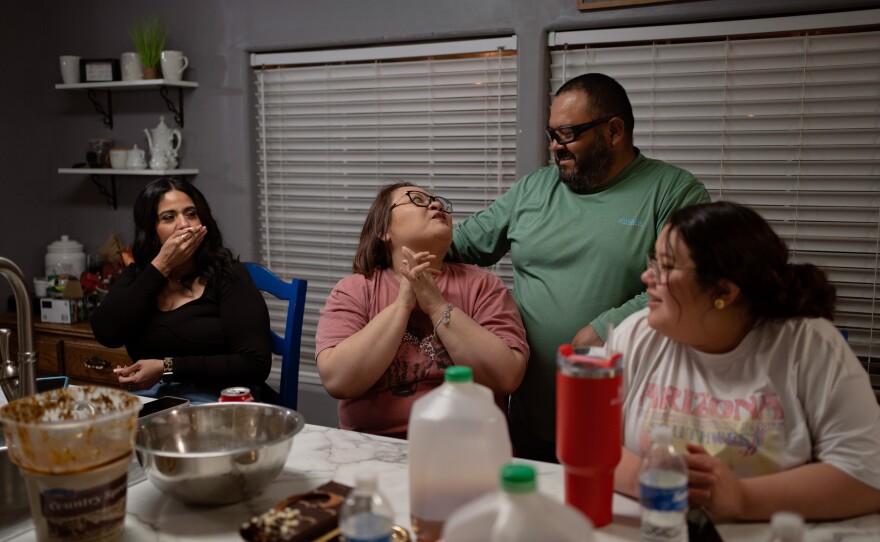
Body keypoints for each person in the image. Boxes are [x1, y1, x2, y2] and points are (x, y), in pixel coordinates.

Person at [451, 72, 710, 461]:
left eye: (568, 134)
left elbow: (685, 281)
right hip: (530, 415)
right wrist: (400, 234)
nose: (556, 147)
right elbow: (464, 244)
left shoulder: (672, 191)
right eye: (551, 134)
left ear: (615, 131)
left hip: (622, 418)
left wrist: (608, 328)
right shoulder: (534, 188)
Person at [608, 201, 880, 520]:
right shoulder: (636, 336)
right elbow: (585, 444)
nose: (647, 276)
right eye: (653, 261)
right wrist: (648, 477)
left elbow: (865, 476)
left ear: (723, 290)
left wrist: (741, 497)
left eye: (666, 266)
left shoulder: (809, 346)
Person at [316, 182, 529, 439]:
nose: (436, 204)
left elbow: (507, 377)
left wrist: (437, 306)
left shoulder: (484, 286)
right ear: (383, 230)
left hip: (468, 448)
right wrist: (402, 305)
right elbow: (338, 380)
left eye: (439, 202)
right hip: (370, 444)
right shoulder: (355, 289)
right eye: (416, 199)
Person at [91, 177, 273, 403]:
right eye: (169, 217)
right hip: (153, 402)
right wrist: (161, 266)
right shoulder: (140, 275)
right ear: (151, 230)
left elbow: (255, 363)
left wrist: (166, 368)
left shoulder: (228, 274)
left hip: (220, 403)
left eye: (191, 214)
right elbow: (106, 334)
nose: (184, 225)